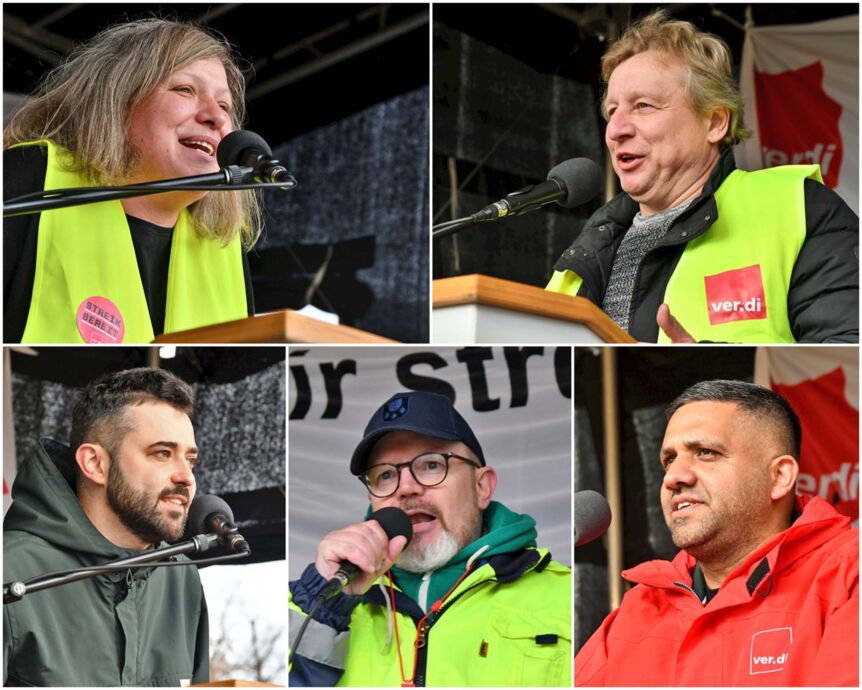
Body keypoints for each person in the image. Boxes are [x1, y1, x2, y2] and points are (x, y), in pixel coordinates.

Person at [546, 11, 858, 344]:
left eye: (643, 106)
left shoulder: (799, 208)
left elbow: (848, 351)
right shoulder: (582, 255)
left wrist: (706, 361)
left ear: (715, 123)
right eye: (612, 111)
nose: (616, 130)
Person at [575, 380, 858, 686]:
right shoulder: (638, 610)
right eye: (669, 460)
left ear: (779, 476)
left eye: (706, 453)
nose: (673, 477)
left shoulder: (848, 574)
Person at [4, 18, 263, 343]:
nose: (217, 116)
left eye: (224, 105)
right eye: (185, 90)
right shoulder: (30, 175)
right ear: (117, 98)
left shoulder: (224, 249)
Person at [289, 391, 572, 686]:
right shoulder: (313, 599)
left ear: (482, 487)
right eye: (385, 475)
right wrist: (327, 601)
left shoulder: (565, 595)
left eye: (432, 464)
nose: (406, 487)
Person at [3, 367, 209, 686]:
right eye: (162, 453)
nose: (186, 477)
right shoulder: (10, 568)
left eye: (190, 460)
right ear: (95, 464)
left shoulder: (182, 576)